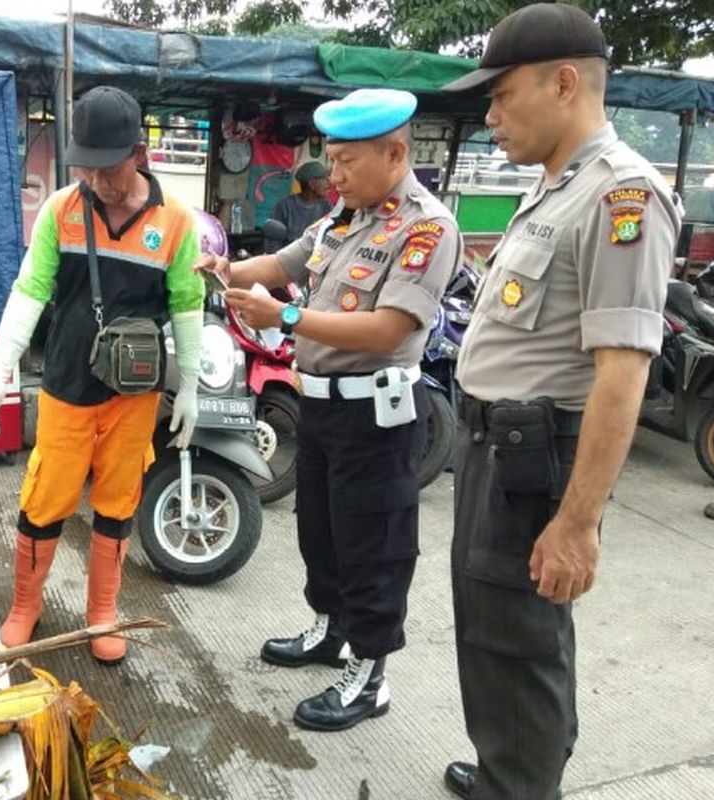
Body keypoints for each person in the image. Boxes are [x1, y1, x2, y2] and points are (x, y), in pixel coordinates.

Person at [439, 5, 681, 797]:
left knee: (519, 641)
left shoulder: (622, 199)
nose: (491, 113)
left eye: (502, 94)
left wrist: (576, 525)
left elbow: (623, 372)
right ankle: (510, 767)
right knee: (493, 629)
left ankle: (523, 783)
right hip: (493, 448)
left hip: (534, 460)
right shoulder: (556, 189)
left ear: (565, 82)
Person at [197, 88, 459, 731]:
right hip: (321, 407)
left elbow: (388, 329)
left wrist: (284, 313)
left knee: (374, 545)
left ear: (395, 153)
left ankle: (371, 674)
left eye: (345, 162)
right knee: (322, 533)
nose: (332, 176)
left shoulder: (426, 228)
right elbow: (282, 263)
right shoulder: (343, 216)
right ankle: (331, 632)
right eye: (330, 160)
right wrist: (222, 268)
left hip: (377, 416)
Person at [0, 86, 205, 664]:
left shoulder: (175, 223)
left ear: (139, 152)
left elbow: (188, 302)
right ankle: (26, 605)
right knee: (46, 497)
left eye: (108, 166)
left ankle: (103, 613)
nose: (97, 179)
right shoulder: (61, 212)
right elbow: (29, 291)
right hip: (67, 388)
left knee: (118, 502)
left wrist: (191, 384)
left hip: (135, 393)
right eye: (87, 167)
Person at [265, 161, 333, 252]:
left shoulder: (327, 207)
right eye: (325, 179)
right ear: (312, 184)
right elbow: (274, 243)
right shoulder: (285, 207)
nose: (329, 183)